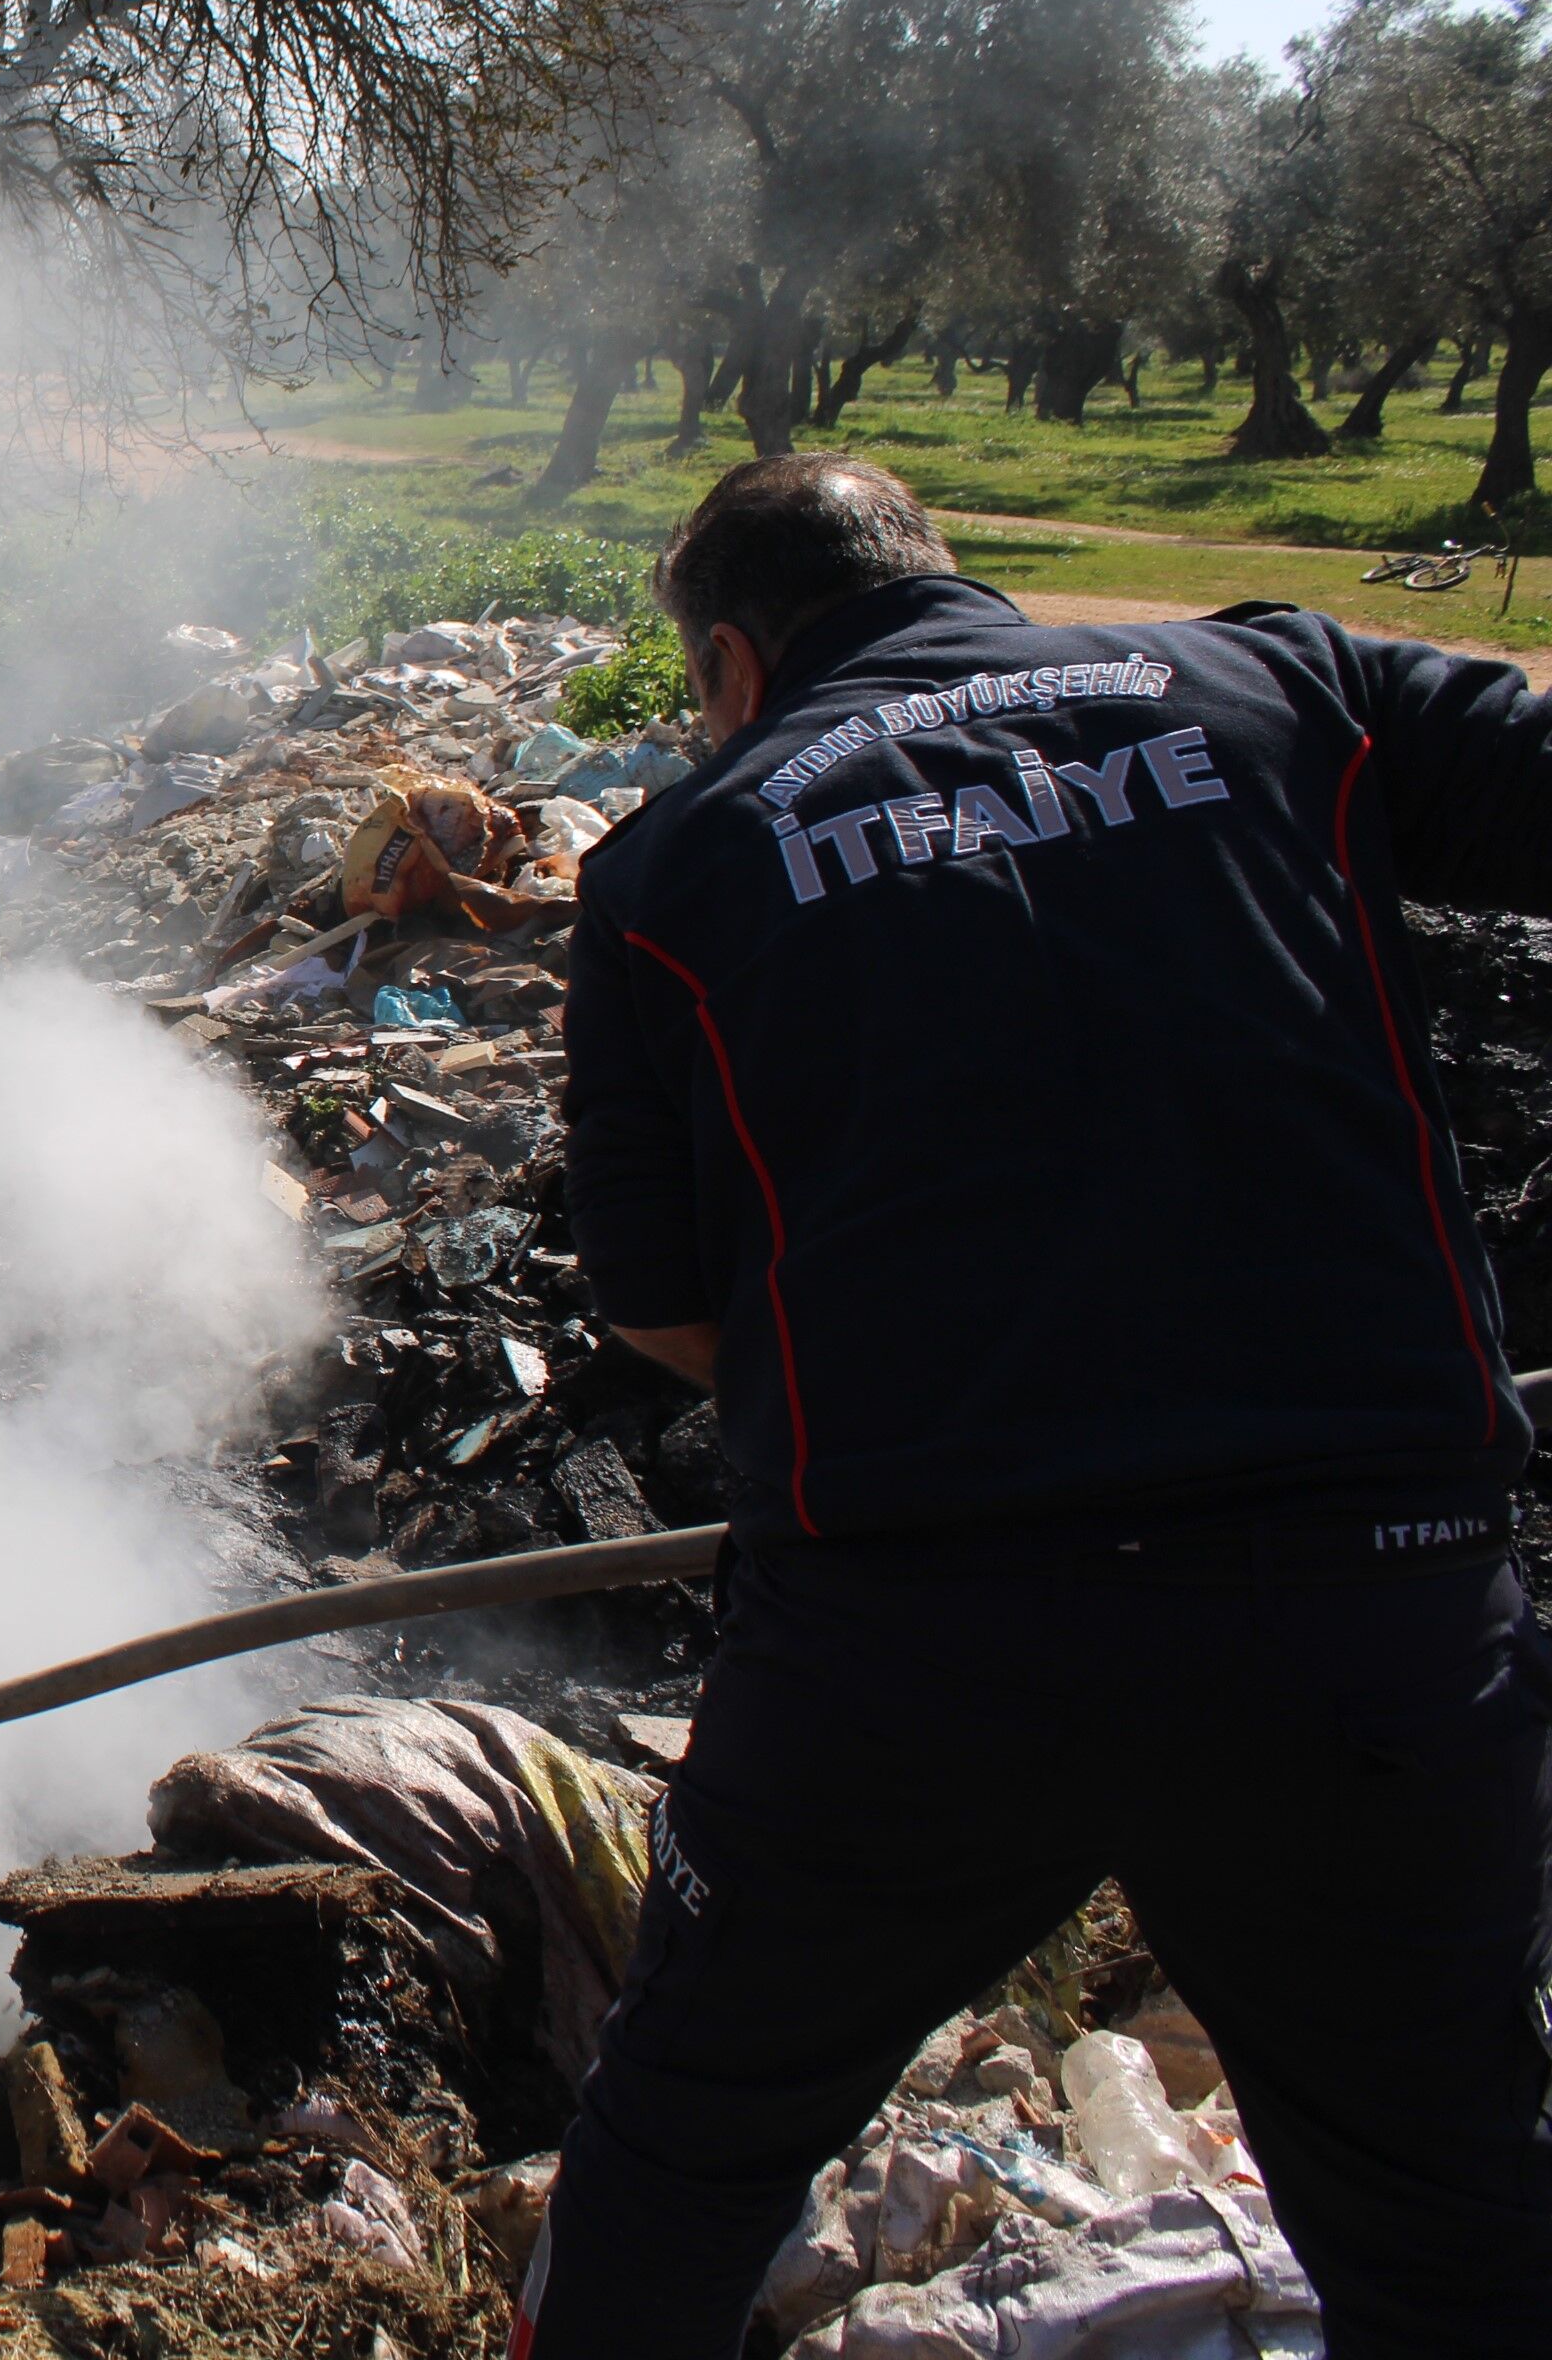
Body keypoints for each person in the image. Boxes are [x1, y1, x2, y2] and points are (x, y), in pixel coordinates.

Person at [524, 453, 1552, 2354]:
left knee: (683, 2159)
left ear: (735, 665)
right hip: (1375, 1609)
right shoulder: (1285, 685)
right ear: (949, 577)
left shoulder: (674, 868)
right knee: (1456, 2222)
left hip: (916, 1644)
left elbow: (662, 1313)